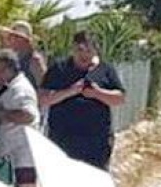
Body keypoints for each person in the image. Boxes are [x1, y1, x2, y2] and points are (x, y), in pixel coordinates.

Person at [39, 31, 126, 170]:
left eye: (89, 50)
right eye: (80, 50)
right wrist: (70, 91)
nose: (84, 55)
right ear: (73, 48)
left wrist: (97, 93)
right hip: (62, 140)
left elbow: (120, 98)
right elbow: (43, 99)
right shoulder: (59, 69)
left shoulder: (105, 70)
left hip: (96, 142)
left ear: (95, 51)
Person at [0, 49, 42, 187]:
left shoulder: (21, 89)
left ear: (9, 69)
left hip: (21, 157)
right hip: (4, 154)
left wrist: (4, 114)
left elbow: (29, 116)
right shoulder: (4, 85)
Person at [0, 20, 47, 89]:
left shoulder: (34, 60)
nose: (12, 39)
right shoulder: (12, 58)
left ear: (25, 40)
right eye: (11, 36)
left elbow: (44, 86)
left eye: (16, 37)